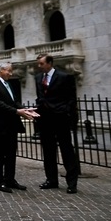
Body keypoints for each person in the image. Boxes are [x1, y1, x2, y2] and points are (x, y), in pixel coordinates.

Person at [0, 62, 39, 193]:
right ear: (1, 70)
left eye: (11, 71)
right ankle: (0, 182)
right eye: (8, 71)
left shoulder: (8, 84)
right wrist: (17, 112)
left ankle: (10, 179)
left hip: (11, 125)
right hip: (0, 126)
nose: (11, 73)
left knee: (11, 154)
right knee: (0, 156)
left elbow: (14, 102)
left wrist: (25, 110)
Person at [34, 53, 79, 194]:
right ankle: (51, 180)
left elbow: (71, 99)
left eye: (41, 63)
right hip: (45, 119)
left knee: (66, 150)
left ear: (50, 63)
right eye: (38, 63)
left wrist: (67, 114)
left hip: (60, 118)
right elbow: (40, 96)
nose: (39, 66)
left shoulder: (64, 77)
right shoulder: (38, 78)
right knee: (48, 151)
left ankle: (72, 183)